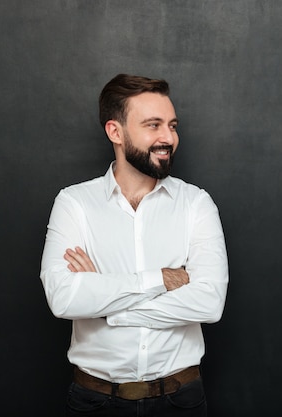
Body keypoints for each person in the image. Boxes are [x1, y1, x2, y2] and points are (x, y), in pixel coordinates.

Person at [40, 73, 229, 417]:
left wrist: (104, 302)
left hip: (180, 401)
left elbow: (210, 303)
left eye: (172, 126)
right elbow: (63, 297)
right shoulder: (74, 204)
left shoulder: (196, 204)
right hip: (94, 402)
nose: (168, 138)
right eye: (153, 125)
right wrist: (160, 279)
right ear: (115, 131)